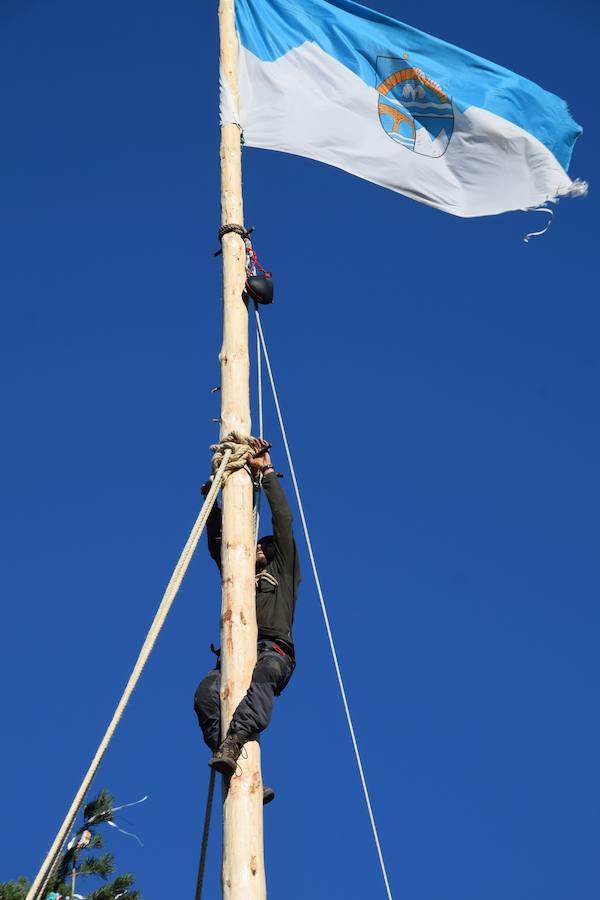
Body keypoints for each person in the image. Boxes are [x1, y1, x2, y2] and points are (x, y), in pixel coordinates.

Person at [194, 438, 301, 795]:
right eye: (255, 543)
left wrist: (266, 473)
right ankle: (227, 753)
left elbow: (283, 521)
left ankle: (236, 739)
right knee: (206, 694)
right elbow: (220, 544)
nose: (257, 546)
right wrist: (213, 504)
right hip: (235, 651)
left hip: (273, 650)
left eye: (263, 545)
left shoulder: (282, 570)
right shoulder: (239, 574)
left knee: (264, 674)